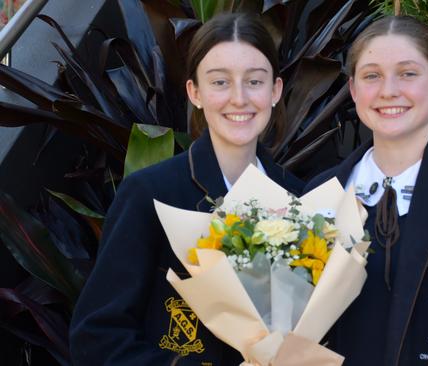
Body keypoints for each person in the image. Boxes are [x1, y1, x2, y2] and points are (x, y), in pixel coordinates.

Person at [70, 13, 303, 366]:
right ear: (194, 92)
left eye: (254, 81)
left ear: (275, 91)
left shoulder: (300, 200)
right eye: (220, 82)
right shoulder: (149, 195)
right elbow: (95, 336)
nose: (239, 98)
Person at [303, 16, 428, 366]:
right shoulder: (320, 195)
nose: (388, 91)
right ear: (353, 90)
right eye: (372, 76)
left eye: (408, 73)